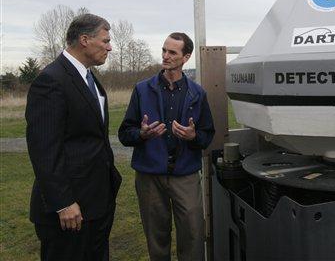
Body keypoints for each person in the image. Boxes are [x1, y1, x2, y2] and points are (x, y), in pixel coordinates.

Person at [26, 13, 122, 261]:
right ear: (84, 40)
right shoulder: (51, 80)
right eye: (105, 41)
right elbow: (44, 150)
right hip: (70, 211)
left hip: (97, 203)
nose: (110, 47)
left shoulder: (89, 77)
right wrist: (63, 202)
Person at [118, 32, 215, 261]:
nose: (165, 56)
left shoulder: (197, 93)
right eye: (164, 50)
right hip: (150, 177)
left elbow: (207, 135)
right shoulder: (142, 89)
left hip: (186, 177)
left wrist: (193, 136)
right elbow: (124, 134)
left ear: (186, 57)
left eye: (172, 52)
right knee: (157, 239)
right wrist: (141, 134)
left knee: (192, 236)